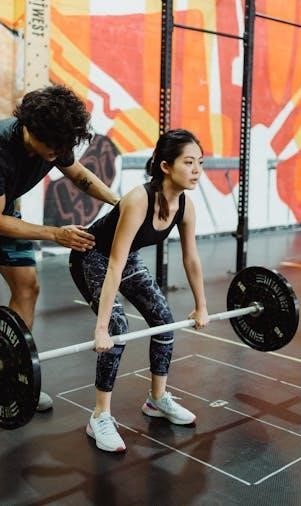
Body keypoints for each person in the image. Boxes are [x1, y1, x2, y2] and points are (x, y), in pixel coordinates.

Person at [0, 84, 119, 440]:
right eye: (54, 148)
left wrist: (121, 204)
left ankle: (9, 374)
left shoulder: (55, 141)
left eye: (63, 148)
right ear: (30, 130)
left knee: (27, 288)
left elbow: (79, 175)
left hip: (0, 209)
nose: (58, 155)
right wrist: (56, 234)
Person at [69, 129, 209, 453]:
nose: (197, 170)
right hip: (92, 256)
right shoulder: (138, 200)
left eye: (199, 163)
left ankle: (157, 399)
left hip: (124, 257)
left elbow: (191, 258)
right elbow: (114, 265)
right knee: (118, 327)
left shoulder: (185, 206)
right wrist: (102, 328)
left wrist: (201, 305)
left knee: (164, 320)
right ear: (165, 166)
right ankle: (99, 416)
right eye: (188, 162)